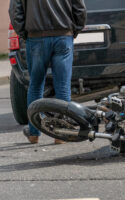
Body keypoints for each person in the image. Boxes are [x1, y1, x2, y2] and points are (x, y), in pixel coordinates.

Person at [9, 0, 87, 144]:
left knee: (36, 85)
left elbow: (15, 12)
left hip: (36, 38)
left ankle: (34, 133)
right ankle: (60, 134)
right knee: (62, 86)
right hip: (63, 36)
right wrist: (74, 30)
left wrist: (25, 33)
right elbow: (80, 9)